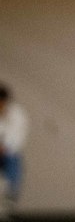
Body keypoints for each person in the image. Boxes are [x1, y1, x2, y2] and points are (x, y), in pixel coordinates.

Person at [0, 84, 29, 215]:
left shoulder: (17, 114)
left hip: (10, 153)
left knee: (13, 164)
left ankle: (10, 197)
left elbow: (18, 135)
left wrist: (6, 146)